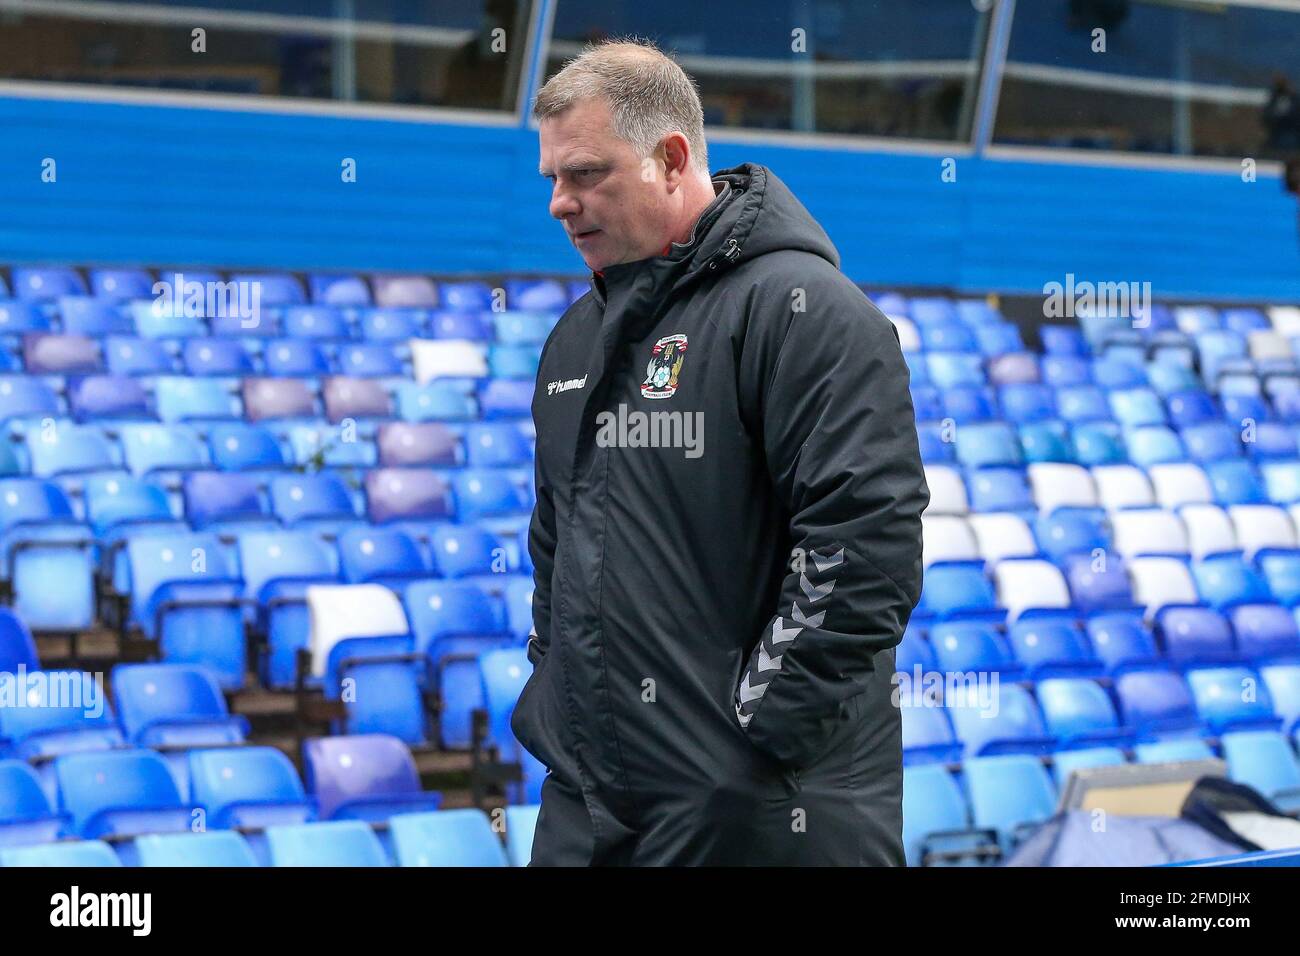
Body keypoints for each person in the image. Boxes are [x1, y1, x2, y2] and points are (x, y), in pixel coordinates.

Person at [513, 38, 928, 865]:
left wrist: (748, 741)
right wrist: (558, 697)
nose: (560, 203)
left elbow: (866, 545)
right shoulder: (574, 340)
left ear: (671, 159)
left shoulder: (805, 313)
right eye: (552, 180)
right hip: (591, 802)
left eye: (586, 173)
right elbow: (554, 548)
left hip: (756, 808)